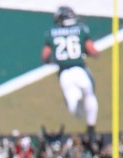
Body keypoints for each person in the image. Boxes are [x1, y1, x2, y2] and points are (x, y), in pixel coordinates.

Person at [41, 6, 99, 139]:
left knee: (74, 108)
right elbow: (92, 49)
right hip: (80, 70)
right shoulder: (81, 29)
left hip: (65, 74)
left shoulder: (52, 32)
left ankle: (79, 107)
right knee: (90, 95)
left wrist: (52, 60)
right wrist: (93, 53)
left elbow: (45, 56)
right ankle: (91, 126)